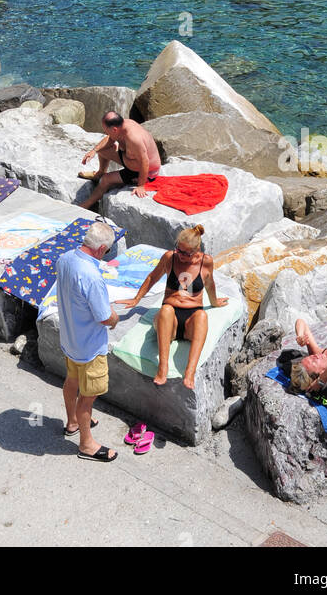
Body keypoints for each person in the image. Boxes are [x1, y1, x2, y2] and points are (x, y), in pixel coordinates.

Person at [119, 226, 227, 388]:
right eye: (179, 250)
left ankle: (189, 372)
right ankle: (163, 367)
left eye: (186, 253)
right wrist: (136, 299)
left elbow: (210, 284)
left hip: (191, 319)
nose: (181, 256)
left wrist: (214, 302)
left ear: (197, 250)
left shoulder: (206, 262)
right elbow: (152, 278)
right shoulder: (170, 257)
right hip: (170, 321)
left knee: (202, 316)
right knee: (167, 310)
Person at [55, 222, 119, 461]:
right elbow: (104, 317)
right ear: (102, 249)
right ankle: (87, 444)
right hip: (90, 347)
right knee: (88, 397)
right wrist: (115, 318)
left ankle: (73, 422)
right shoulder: (92, 276)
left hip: (70, 339)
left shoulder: (65, 258)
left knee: (72, 379)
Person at [78, 110, 162, 211]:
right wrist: (94, 150)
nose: (105, 133)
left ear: (114, 129)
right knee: (102, 150)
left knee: (106, 180)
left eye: (106, 131)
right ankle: (100, 173)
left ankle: (87, 204)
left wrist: (141, 185)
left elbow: (145, 161)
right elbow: (110, 139)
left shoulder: (134, 138)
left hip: (144, 172)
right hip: (129, 159)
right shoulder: (123, 124)